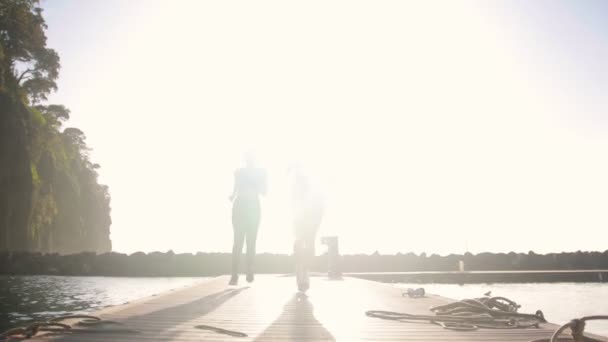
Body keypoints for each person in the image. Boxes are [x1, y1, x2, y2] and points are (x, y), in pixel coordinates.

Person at [229, 153, 267, 285]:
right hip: (240, 206)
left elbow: (264, 192)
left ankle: (249, 271)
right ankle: (234, 274)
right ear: (245, 160)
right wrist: (232, 196)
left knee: (251, 241)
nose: (249, 161)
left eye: (251, 159)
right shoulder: (239, 172)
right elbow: (235, 189)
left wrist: (255, 183)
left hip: (252, 207)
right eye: (248, 159)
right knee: (238, 241)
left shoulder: (261, 173)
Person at [290, 165, 325, 292]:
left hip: (310, 223)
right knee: (300, 246)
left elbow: (320, 208)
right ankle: (301, 275)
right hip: (300, 223)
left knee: (308, 248)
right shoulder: (296, 192)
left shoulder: (313, 193)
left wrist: (316, 224)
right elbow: (293, 207)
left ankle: (304, 272)